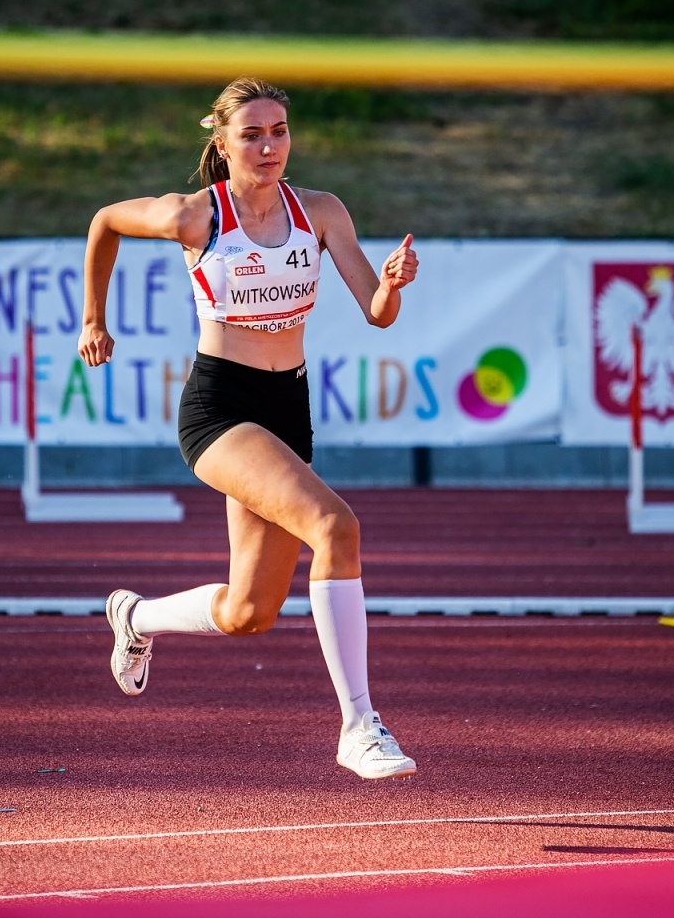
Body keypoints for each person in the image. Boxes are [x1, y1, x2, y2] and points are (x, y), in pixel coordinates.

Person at [79, 78, 422, 780]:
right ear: (223, 141)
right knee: (335, 526)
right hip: (221, 409)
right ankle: (358, 725)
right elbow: (106, 222)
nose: (269, 147)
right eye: (253, 135)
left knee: (249, 612)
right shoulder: (195, 216)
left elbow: (377, 313)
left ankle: (135, 618)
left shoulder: (320, 211)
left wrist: (392, 284)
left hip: (287, 408)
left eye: (279, 132)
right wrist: (93, 318)